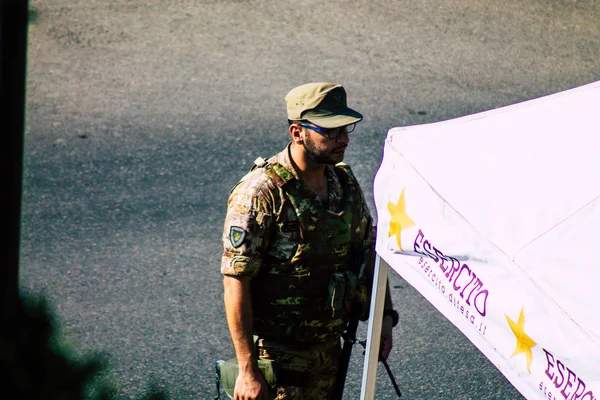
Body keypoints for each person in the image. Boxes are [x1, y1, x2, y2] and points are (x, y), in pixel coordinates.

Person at [221, 82, 398, 400]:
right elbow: (236, 282)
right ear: (297, 132)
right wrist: (248, 372)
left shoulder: (343, 183)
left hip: (329, 356)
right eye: (330, 131)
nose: (342, 139)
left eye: (345, 129)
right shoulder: (261, 193)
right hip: (276, 365)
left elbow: (369, 250)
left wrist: (384, 315)